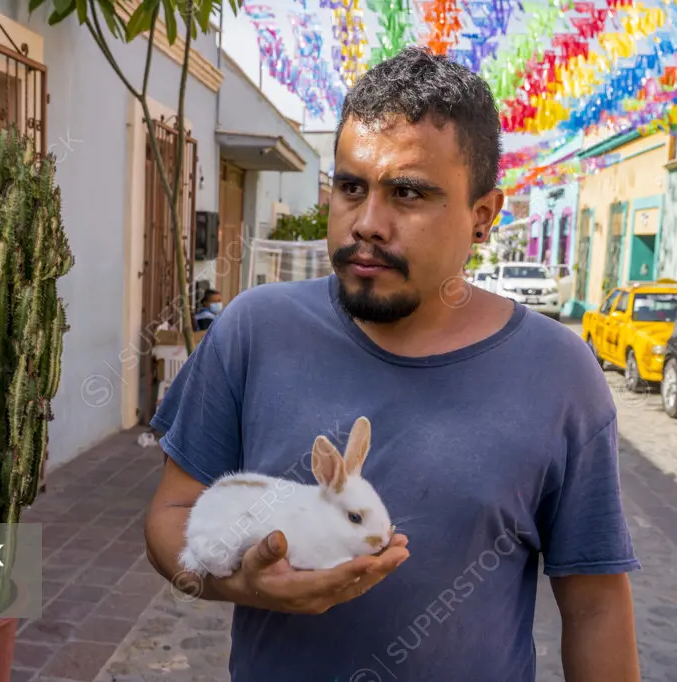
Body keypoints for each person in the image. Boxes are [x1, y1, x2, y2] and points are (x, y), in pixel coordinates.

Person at [145, 47, 640, 682]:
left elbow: (596, 605)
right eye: (351, 187)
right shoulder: (254, 329)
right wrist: (241, 585)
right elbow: (171, 518)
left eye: (407, 193)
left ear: (483, 215)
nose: (367, 223)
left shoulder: (561, 374)